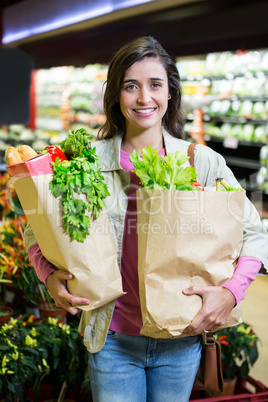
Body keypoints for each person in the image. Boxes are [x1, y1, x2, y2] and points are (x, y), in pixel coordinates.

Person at [24, 37, 268, 402]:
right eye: (130, 86)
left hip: (180, 336)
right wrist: (49, 276)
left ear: (170, 92)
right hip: (112, 338)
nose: (143, 98)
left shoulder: (201, 162)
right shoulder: (83, 160)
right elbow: (36, 227)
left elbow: (254, 232)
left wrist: (230, 293)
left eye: (155, 85)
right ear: (115, 95)